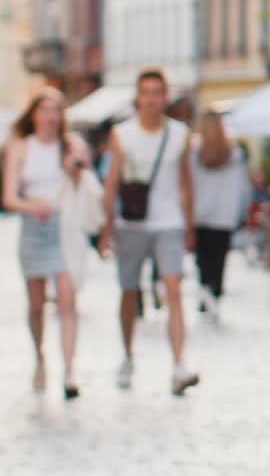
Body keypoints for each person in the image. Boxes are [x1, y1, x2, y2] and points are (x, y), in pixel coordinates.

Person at [99, 68, 200, 395]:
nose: (152, 99)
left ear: (165, 97)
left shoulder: (179, 134)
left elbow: (185, 181)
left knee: (173, 289)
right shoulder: (122, 134)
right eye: (147, 92)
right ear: (138, 97)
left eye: (158, 92)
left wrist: (189, 224)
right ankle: (127, 356)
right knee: (129, 291)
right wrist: (106, 227)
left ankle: (179, 364)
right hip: (132, 223)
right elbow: (111, 181)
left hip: (168, 222)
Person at [2, 87, 92, 399]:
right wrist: (33, 206)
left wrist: (75, 169)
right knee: (37, 304)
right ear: (34, 114)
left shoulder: (72, 145)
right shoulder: (20, 146)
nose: (51, 116)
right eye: (45, 110)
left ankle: (69, 369)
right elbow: (8, 197)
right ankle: (40, 357)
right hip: (33, 227)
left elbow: (86, 185)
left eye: (56, 110)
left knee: (67, 297)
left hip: (64, 226)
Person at [189, 111, 251, 320]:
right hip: (224, 214)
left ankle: (205, 287)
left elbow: (190, 183)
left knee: (202, 256)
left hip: (201, 212)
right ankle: (214, 291)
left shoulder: (195, 152)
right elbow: (242, 186)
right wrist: (242, 209)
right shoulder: (234, 153)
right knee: (219, 257)